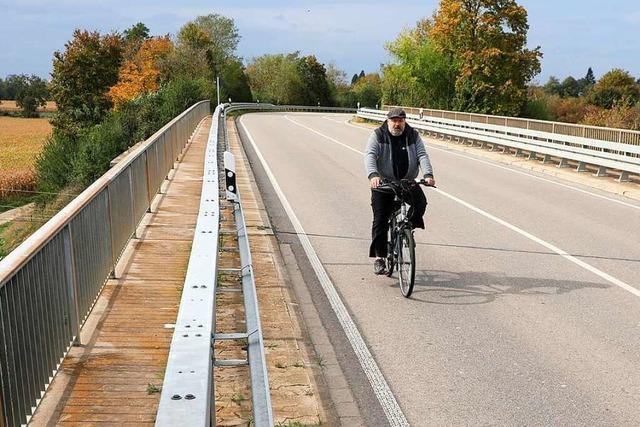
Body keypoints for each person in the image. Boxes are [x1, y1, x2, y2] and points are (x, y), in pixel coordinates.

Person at [364, 108, 435, 275]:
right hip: (384, 183)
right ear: (388, 121)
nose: (397, 124)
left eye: (400, 121)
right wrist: (373, 175)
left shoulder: (413, 135)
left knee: (420, 203)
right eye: (394, 121)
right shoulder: (378, 135)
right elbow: (369, 155)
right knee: (380, 219)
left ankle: (408, 227)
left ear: (404, 121)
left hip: (407, 182)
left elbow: (422, 155)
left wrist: (428, 174)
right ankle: (380, 258)